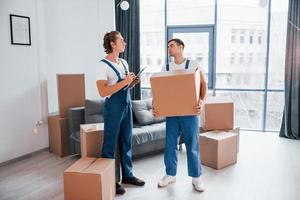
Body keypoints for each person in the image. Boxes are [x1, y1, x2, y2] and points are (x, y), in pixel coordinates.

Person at [153, 38, 207, 192]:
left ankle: (196, 178)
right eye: (168, 46)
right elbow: (160, 90)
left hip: (189, 112)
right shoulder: (166, 67)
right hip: (172, 113)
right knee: (170, 144)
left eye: (171, 45)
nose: (169, 48)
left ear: (181, 47)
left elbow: (203, 84)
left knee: (192, 145)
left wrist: (201, 102)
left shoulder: (193, 65)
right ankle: (170, 174)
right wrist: (157, 107)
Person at [96, 31, 145, 195]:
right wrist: (125, 81)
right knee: (110, 144)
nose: (124, 43)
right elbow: (102, 92)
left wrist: (132, 83)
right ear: (112, 44)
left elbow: (125, 86)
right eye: (121, 40)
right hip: (113, 107)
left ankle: (128, 175)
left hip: (126, 105)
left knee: (126, 141)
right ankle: (111, 179)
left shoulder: (123, 62)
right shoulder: (102, 65)